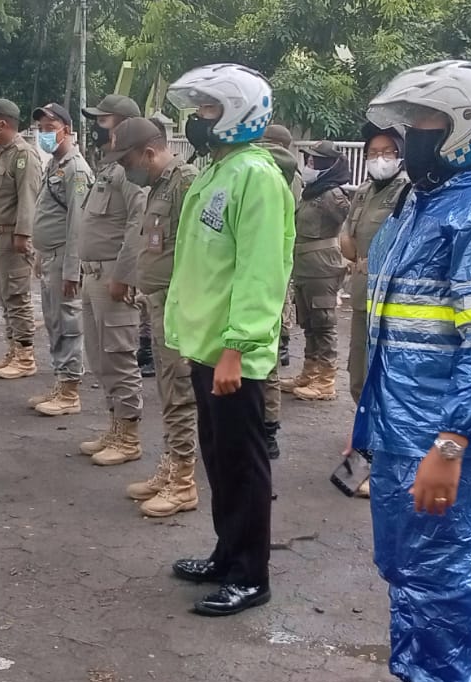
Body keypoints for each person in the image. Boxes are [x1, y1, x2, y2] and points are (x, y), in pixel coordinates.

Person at [355, 60, 471, 682]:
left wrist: (452, 444)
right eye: (410, 122)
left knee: (441, 575)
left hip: (442, 433)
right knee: (405, 566)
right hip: (400, 424)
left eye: (428, 121)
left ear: (467, 128)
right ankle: (415, 679)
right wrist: (371, 421)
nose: (413, 136)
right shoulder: (421, 203)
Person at [163, 63, 294, 616]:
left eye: (210, 109)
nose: (198, 119)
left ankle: (250, 575)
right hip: (207, 345)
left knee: (243, 464)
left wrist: (237, 347)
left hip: (233, 353)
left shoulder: (256, 177)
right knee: (219, 459)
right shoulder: (217, 170)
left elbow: (260, 272)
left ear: (239, 113)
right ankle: (227, 553)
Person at [109, 117, 202, 517]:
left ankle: (183, 481)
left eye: (127, 161)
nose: (124, 170)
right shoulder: (159, 186)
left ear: (148, 153)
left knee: (180, 392)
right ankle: (169, 466)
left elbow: (199, 250)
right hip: (160, 303)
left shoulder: (185, 183)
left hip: (180, 307)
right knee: (167, 390)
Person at [336, 122, 409, 498]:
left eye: (387, 152)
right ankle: (365, 445)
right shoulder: (364, 192)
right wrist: (361, 257)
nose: (379, 159)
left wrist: (370, 259)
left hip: (391, 302)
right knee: (358, 376)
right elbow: (347, 242)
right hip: (362, 296)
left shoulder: (408, 193)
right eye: (373, 153)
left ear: (400, 155)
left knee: (383, 381)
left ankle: (379, 460)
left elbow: (399, 247)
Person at [75, 94, 148, 466]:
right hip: (93, 275)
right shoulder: (108, 168)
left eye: (103, 120)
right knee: (99, 357)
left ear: (123, 124)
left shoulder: (130, 171)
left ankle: (129, 435)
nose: (97, 127)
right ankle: (115, 426)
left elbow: (138, 225)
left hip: (112, 277)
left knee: (119, 356)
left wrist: (124, 275)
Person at [24, 103, 93, 415]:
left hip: (64, 258)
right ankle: (60, 381)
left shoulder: (76, 169)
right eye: (41, 129)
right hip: (50, 256)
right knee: (53, 321)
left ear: (67, 130)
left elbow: (78, 223)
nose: (45, 134)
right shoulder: (55, 164)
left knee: (68, 323)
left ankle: (70, 392)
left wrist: (72, 270)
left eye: (50, 129)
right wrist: (40, 254)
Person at [0, 98, 45, 378]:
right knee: (7, 298)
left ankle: (26, 357)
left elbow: (28, 198)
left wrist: (23, 234)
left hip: (12, 238)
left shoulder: (23, 155)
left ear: (2, 123)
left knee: (17, 297)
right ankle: (13, 350)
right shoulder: (4, 153)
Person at [288, 140, 352, 402]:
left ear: (327, 165)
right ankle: (309, 373)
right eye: (309, 160)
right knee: (309, 324)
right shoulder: (312, 192)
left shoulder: (332, 195)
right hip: (305, 267)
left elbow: (349, 226)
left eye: (314, 161)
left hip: (323, 268)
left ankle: (326, 380)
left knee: (324, 324)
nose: (309, 165)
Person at [257, 123, 303, 460]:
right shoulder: (283, 176)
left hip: (269, 271)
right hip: (273, 270)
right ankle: (267, 430)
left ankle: (268, 430)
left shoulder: (278, 178)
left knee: (265, 361)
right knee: (266, 360)